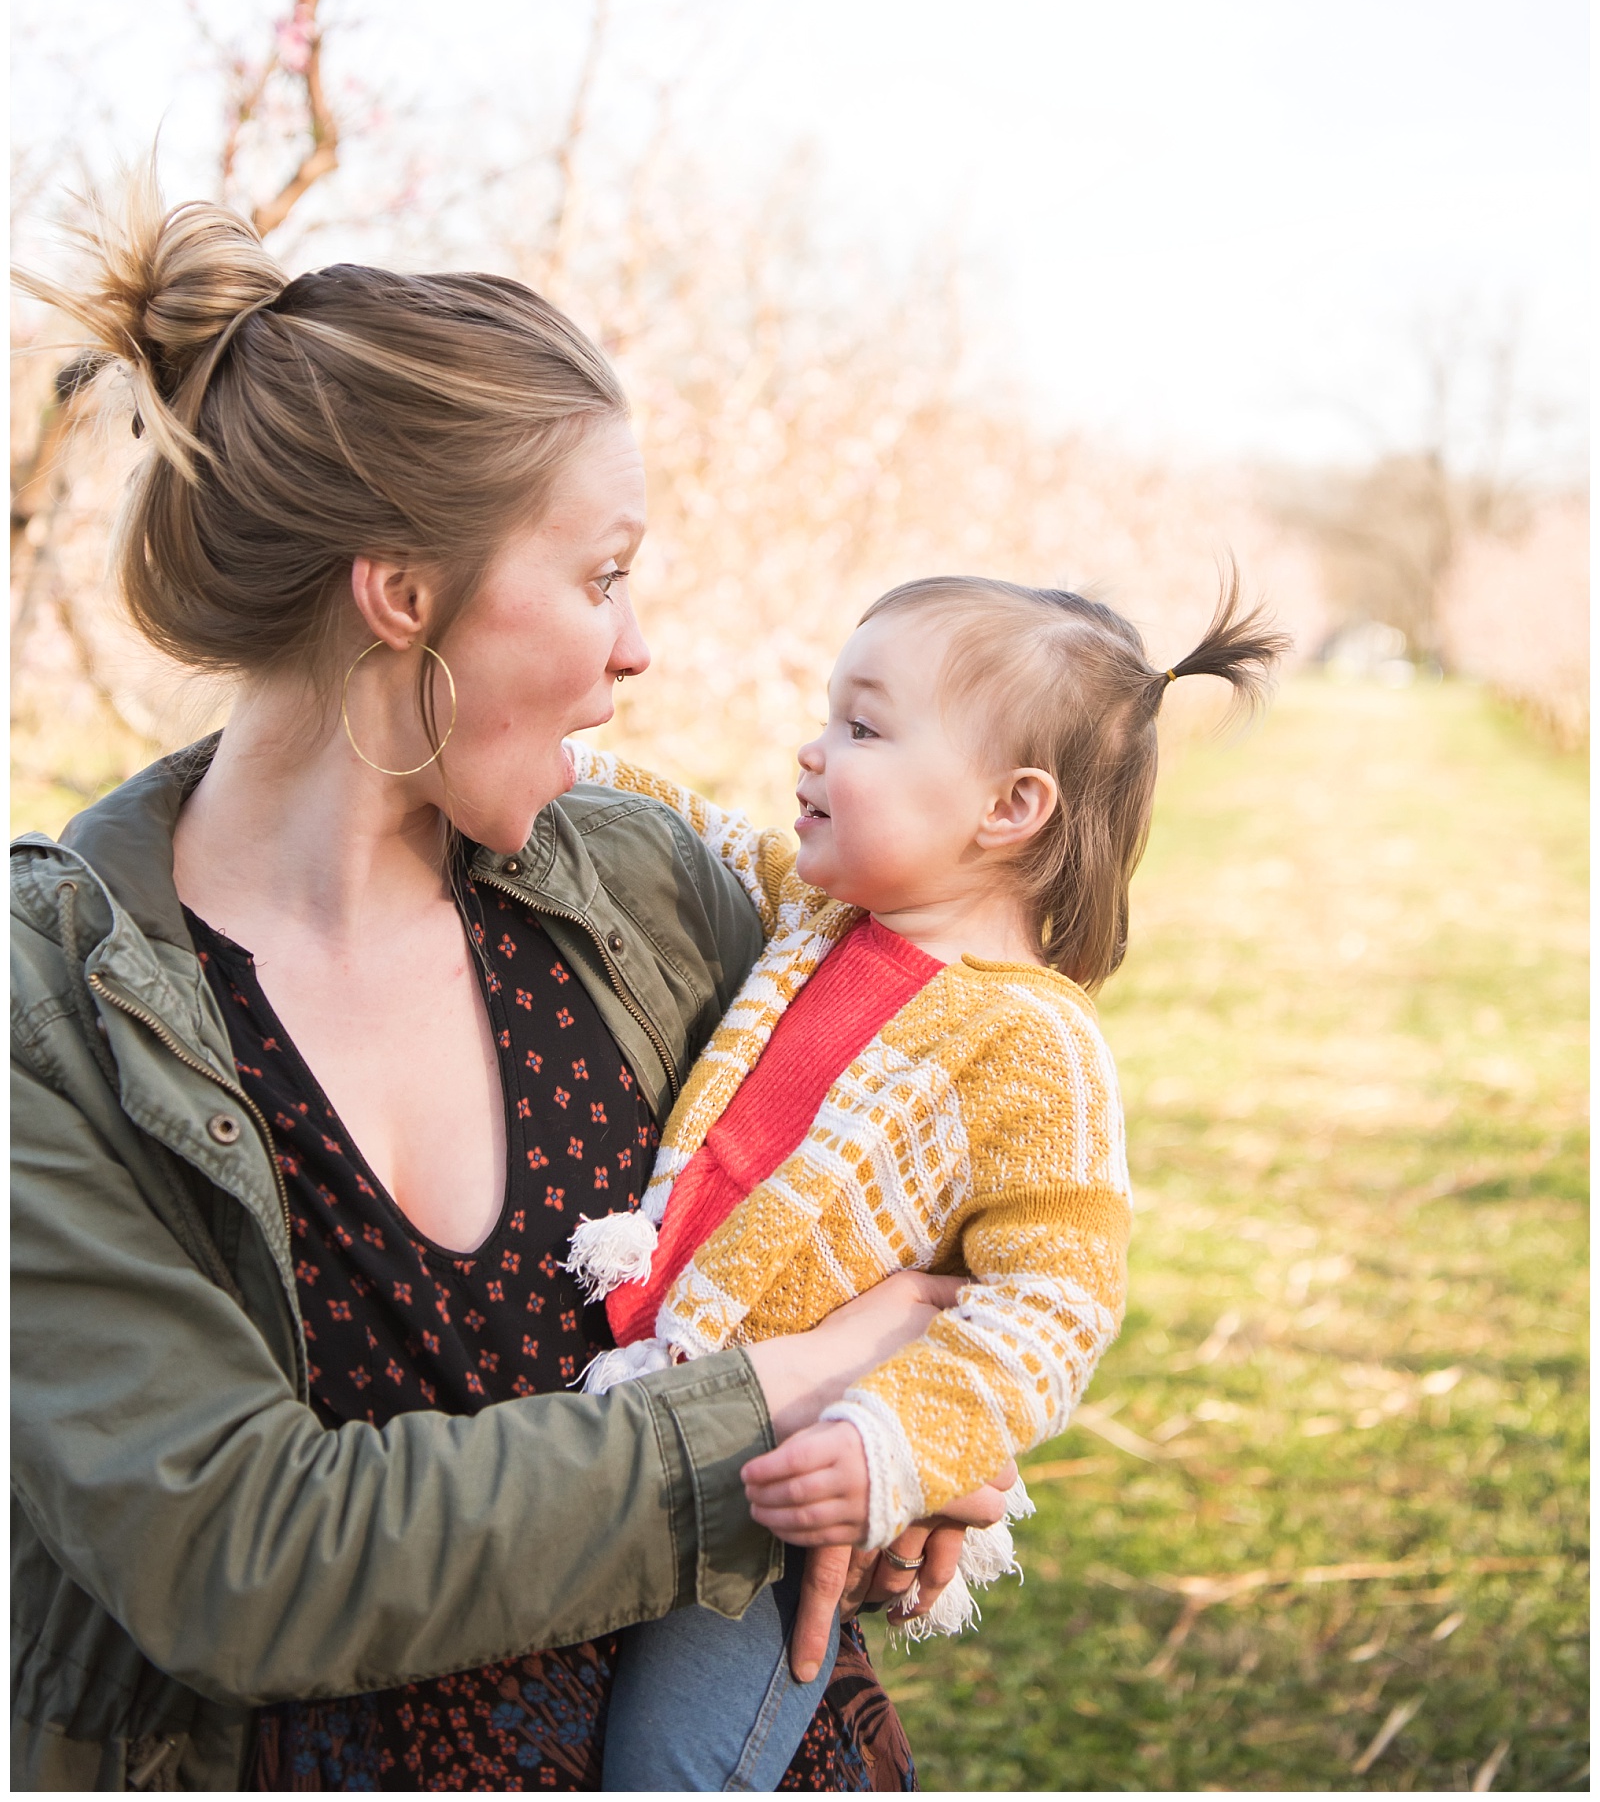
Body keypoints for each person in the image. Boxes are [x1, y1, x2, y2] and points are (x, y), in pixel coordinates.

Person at [11, 176, 1010, 1794]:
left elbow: (942, 1182)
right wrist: (797, 1382)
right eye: (602, 573)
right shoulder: (49, 1022)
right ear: (404, 591)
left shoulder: (648, 894)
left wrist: (925, 1444)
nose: (639, 650)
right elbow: (241, 1551)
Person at [565, 571, 1289, 1791]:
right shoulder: (817, 916)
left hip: (778, 1494)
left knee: (667, 1764)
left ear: (1010, 806)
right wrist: (563, 765)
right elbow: (692, 834)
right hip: (655, 1406)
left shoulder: (1036, 1051)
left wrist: (890, 1440)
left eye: (861, 727)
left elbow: (1050, 1307)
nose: (810, 748)